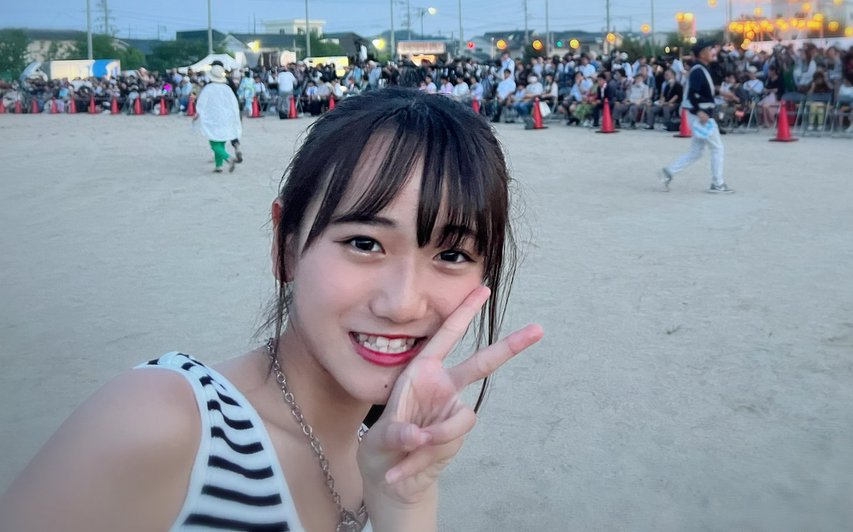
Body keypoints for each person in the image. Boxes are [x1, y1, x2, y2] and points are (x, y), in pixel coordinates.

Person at [0, 89, 543, 532]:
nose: (402, 304)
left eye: (452, 255)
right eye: (364, 243)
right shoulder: (164, 425)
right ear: (286, 246)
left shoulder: (386, 456)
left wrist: (405, 502)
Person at [661, 39, 733, 194]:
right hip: (701, 114)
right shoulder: (698, 70)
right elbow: (692, 94)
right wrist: (699, 111)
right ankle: (717, 184)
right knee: (717, 148)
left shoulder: (700, 69)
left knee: (697, 151)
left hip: (697, 114)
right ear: (702, 53)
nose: (713, 51)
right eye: (710, 49)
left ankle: (669, 172)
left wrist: (723, 93)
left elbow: (703, 90)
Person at [195, 64, 243, 172]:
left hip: (212, 119)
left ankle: (228, 158)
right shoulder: (227, 89)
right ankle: (218, 166)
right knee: (221, 142)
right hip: (226, 118)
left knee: (214, 143)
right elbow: (234, 105)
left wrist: (198, 113)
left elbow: (201, 103)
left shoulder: (208, 88)